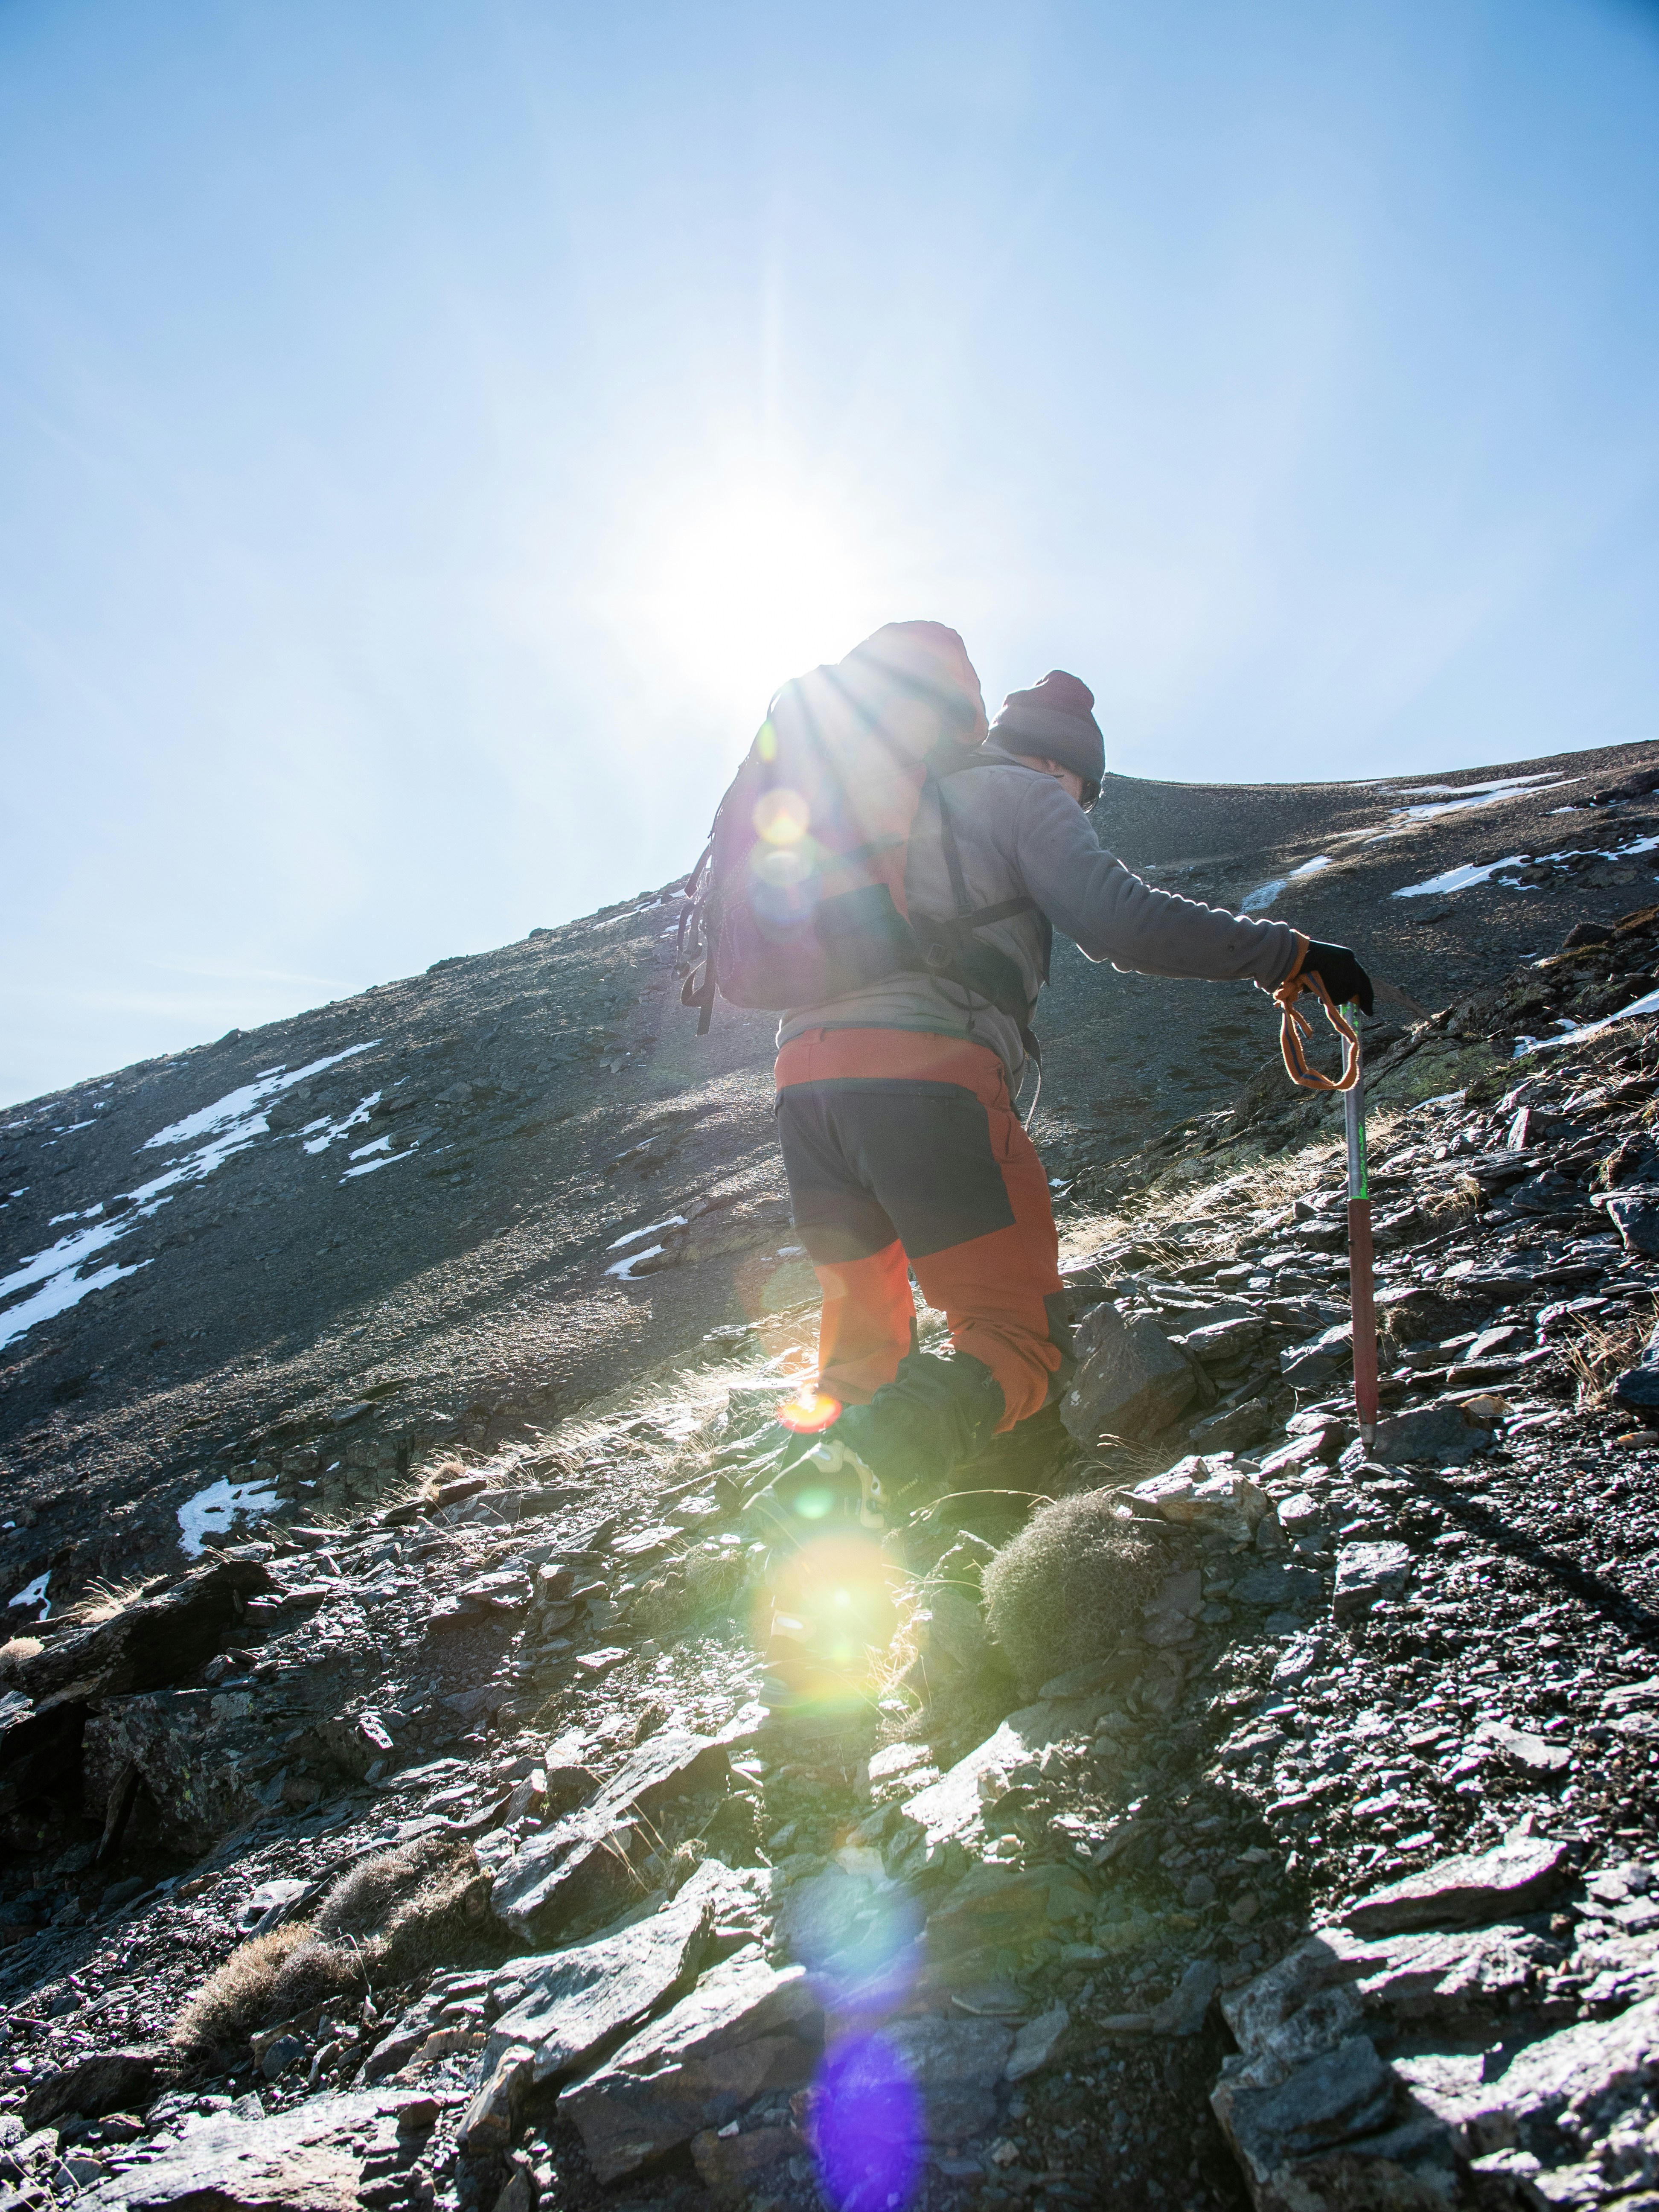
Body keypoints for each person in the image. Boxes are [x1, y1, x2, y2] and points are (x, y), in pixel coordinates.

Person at [745, 621, 1372, 1537]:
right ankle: (925, 1518)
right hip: (925, 1080)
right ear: (1066, 770)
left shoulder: (885, 802)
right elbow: (1121, 922)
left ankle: (816, 1543)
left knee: (862, 1345)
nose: (1082, 807)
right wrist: (1291, 954)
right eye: (1086, 792)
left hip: (802, 1086)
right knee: (1016, 1336)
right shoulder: (1022, 794)